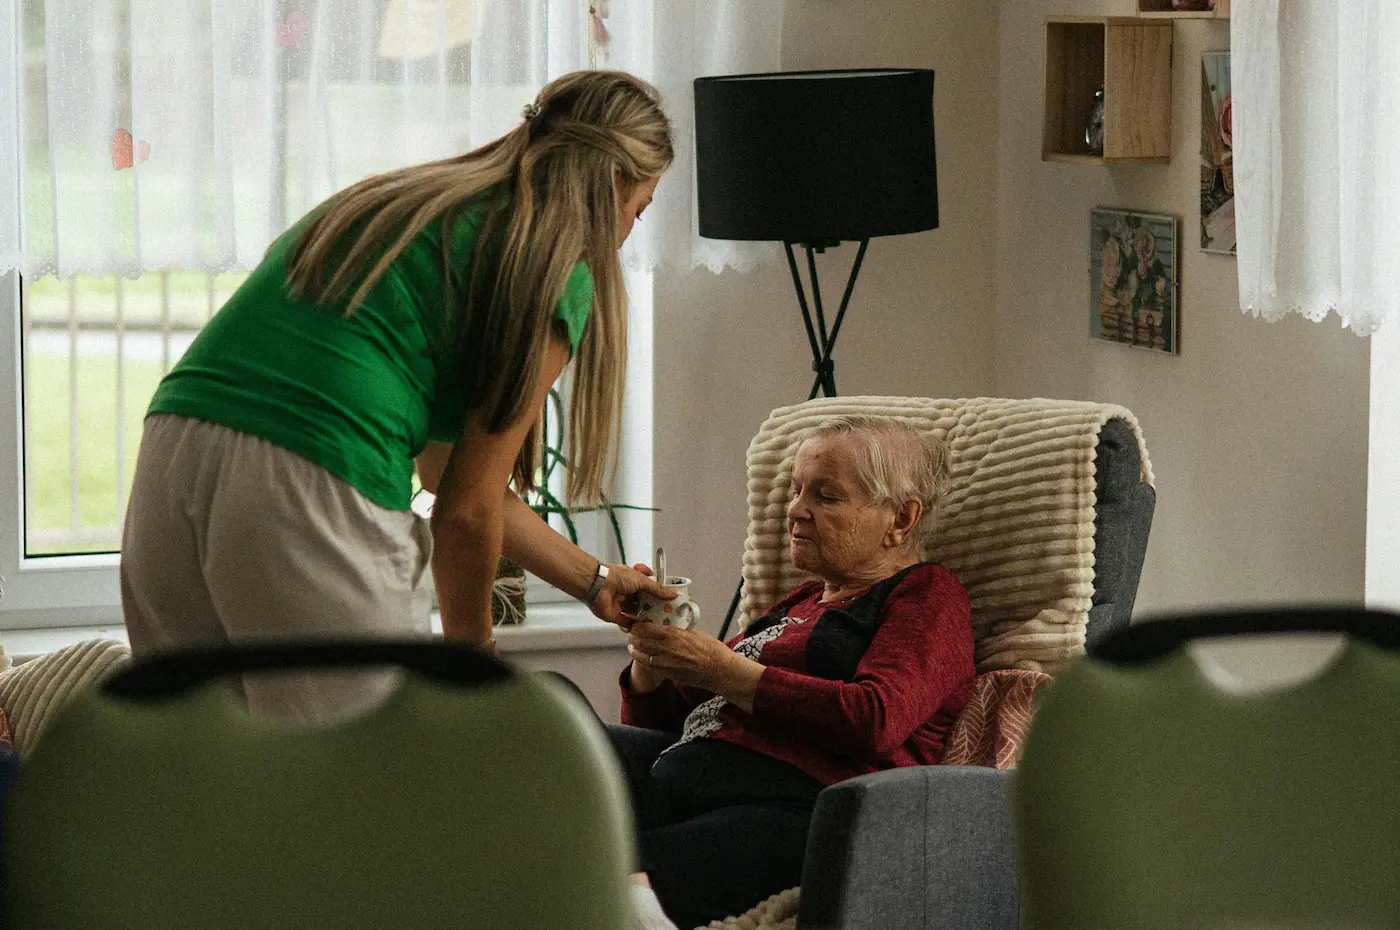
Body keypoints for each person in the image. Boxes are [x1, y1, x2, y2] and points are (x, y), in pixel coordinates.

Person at [119, 69, 676, 723]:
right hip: (312, 485)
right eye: (638, 211)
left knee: (208, 777)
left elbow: (451, 477)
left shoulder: (401, 204)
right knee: (372, 791)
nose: (626, 234)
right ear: (613, 181)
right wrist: (472, 666)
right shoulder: (552, 265)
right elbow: (465, 514)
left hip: (175, 456)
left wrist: (594, 580)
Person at [612, 415, 977, 930]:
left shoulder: (926, 596)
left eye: (825, 496)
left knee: (598, 874)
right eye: (796, 490)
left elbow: (876, 718)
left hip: (789, 808)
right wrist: (649, 659)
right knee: (560, 733)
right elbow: (663, 727)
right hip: (680, 784)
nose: (794, 510)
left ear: (901, 519)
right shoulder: (800, 602)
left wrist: (724, 670)